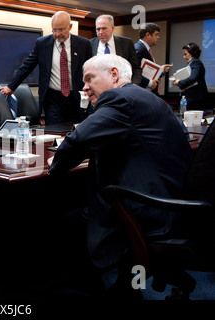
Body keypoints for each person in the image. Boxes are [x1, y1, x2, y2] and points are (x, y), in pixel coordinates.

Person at [47, 54, 194, 296]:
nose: (84, 87)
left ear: (114, 75)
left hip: (148, 209)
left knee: (69, 219)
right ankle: (125, 283)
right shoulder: (150, 98)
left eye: (89, 79)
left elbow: (78, 139)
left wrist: (56, 165)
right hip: (176, 205)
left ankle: (88, 288)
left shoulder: (119, 98)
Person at [0, 11, 92, 125]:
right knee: (54, 131)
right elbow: (27, 66)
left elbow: (91, 71)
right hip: (53, 98)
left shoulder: (84, 44)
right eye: (54, 30)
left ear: (70, 27)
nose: (57, 34)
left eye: (61, 29)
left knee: (76, 131)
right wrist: (11, 87)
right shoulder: (42, 43)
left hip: (76, 98)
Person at [90, 15, 142, 86]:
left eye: (104, 28)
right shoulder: (89, 44)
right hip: (97, 87)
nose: (100, 32)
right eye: (98, 29)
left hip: (121, 87)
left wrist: (134, 84)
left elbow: (135, 68)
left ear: (112, 28)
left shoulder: (126, 43)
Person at [135, 23, 172, 95]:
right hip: (143, 94)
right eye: (156, 34)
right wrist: (149, 83)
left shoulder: (145, 49)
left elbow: (146, 70)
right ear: (148, 35)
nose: (158, 37)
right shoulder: (138, 49)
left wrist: (161, 69)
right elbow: (134, 73)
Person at [173, 42, 208, 110]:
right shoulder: (193, 63)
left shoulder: (196, 62)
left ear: (192, 53)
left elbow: (192, 78)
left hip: (195, 99)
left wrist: (179, 82)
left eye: (185, 54)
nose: (184, 57)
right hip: (193, 98)